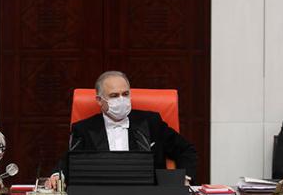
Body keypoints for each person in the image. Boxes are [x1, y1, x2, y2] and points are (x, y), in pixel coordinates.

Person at [52, 70, 197, 185]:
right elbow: (69, 163)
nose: (121, 100)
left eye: (125, 94)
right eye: (114, 95)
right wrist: (56, 177)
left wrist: (185, 179)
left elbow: (186, 150)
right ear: (99, 100)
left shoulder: (151, 122)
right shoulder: (83, 129)